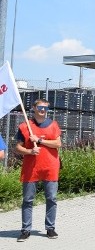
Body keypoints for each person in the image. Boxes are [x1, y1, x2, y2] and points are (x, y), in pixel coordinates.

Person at [15, 99, 62, 241]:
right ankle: (25, 230)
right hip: (31, 168)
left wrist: (40, 140)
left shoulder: (53, 125)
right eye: (40, 107)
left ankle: (50, 228)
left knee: (51, 198)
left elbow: (58, 143)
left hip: (50, 167)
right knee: (28, 200)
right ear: (34, 108)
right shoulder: (25, 126)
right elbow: (17, 148)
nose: (43, 110)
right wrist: (29, 151)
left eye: (46, 108)